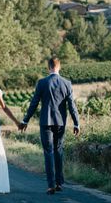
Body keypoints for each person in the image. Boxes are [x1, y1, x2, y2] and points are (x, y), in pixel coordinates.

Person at [19, 57, 80, 195]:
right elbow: (72, 105)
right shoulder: (67, 83)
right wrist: (76, 123)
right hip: (60, 122)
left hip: (45, 122)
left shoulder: (42, 83)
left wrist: (25, 120)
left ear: (49, 67)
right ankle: (59, 182)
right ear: (59, 67)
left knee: (48, 152)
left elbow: (34, 103)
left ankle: (51, 185)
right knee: (58, 150)